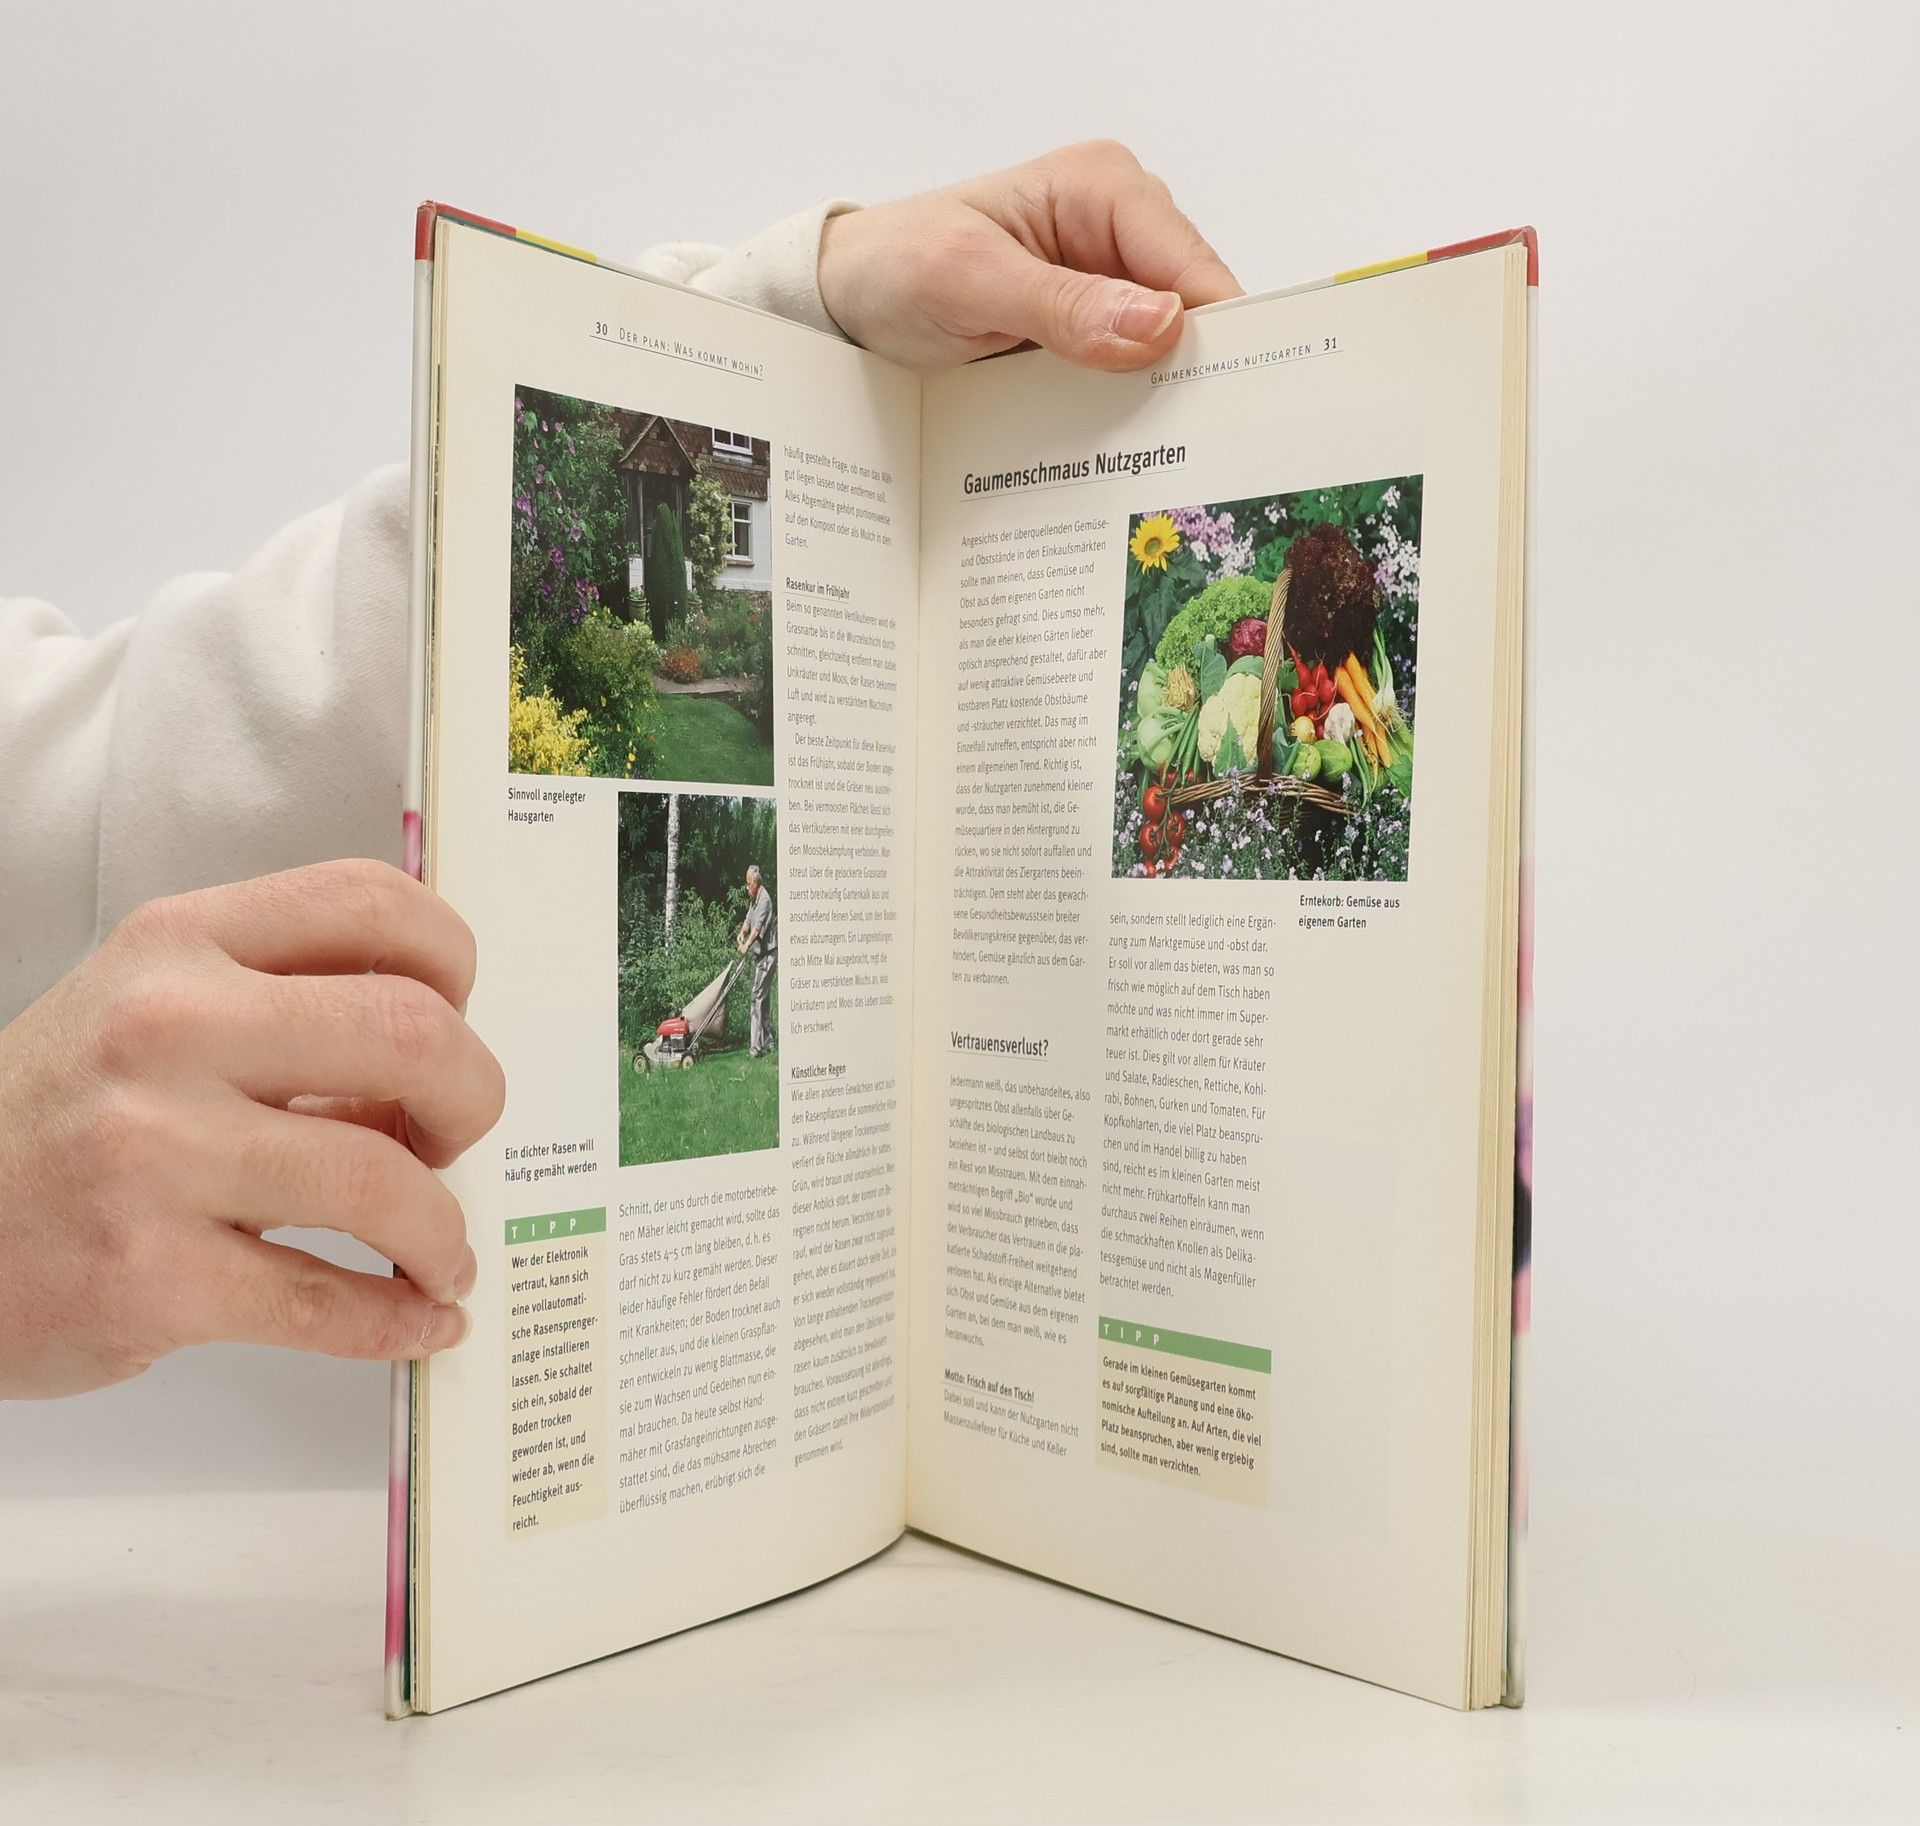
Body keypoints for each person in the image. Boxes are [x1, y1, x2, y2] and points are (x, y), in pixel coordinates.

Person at [0, 141, 1242, 1402]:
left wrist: (802, 319)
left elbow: (123, 766)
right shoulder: (720, 830)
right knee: (732, 1018)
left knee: (747, 1005)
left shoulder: (752, 875)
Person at [736, 865, 777, 1058]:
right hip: (763, 954)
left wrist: (746, 945)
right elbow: (748, 921)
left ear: (756, 883)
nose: (746, 887)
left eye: (748, 884)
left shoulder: (764, 900)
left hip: (769, 954)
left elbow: (757, 929)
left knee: (756, 996)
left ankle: (755, 1048)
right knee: (764, 998)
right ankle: (768, 1042)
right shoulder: (754, 899)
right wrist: (741, 933)